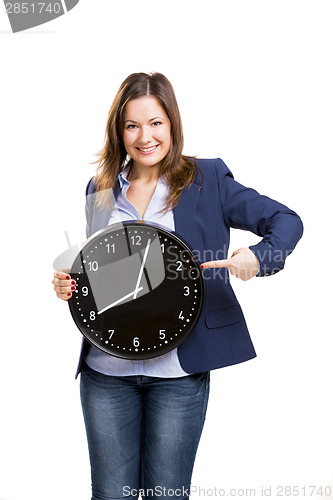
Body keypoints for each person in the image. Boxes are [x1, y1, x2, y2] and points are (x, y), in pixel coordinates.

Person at [52, 72, 303, 500]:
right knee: (112, 496)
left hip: (178, 374)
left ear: (172, 124)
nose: (144, 136)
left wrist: (259, 259)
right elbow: (106, 274)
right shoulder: (101, 189)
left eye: (155, 123)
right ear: (119, 131)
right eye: (132, 125)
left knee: (167, 496)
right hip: (106, 373)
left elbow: (287, 220)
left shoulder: (207, 180)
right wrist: (72, 285)